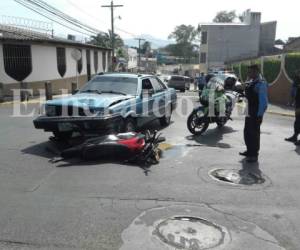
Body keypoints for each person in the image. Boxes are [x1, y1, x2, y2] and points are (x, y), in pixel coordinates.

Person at [240, 65, 268, 163]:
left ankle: (254, 154)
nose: (248, 74)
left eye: (250, 72)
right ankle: (249, 150)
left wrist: (259, 115)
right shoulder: (252, 82)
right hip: (249, 111)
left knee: (254, 134)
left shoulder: (261, 84)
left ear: (256, 72)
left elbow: (264, 102)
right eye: (248, 72)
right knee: (247, 132)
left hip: (256, 112)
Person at [285, 70, 300, 145]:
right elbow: (293, 92)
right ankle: (295, 136)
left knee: (298, 120)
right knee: (297, 121)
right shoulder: (296, 80)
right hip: (298, 103)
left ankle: (295, 137)